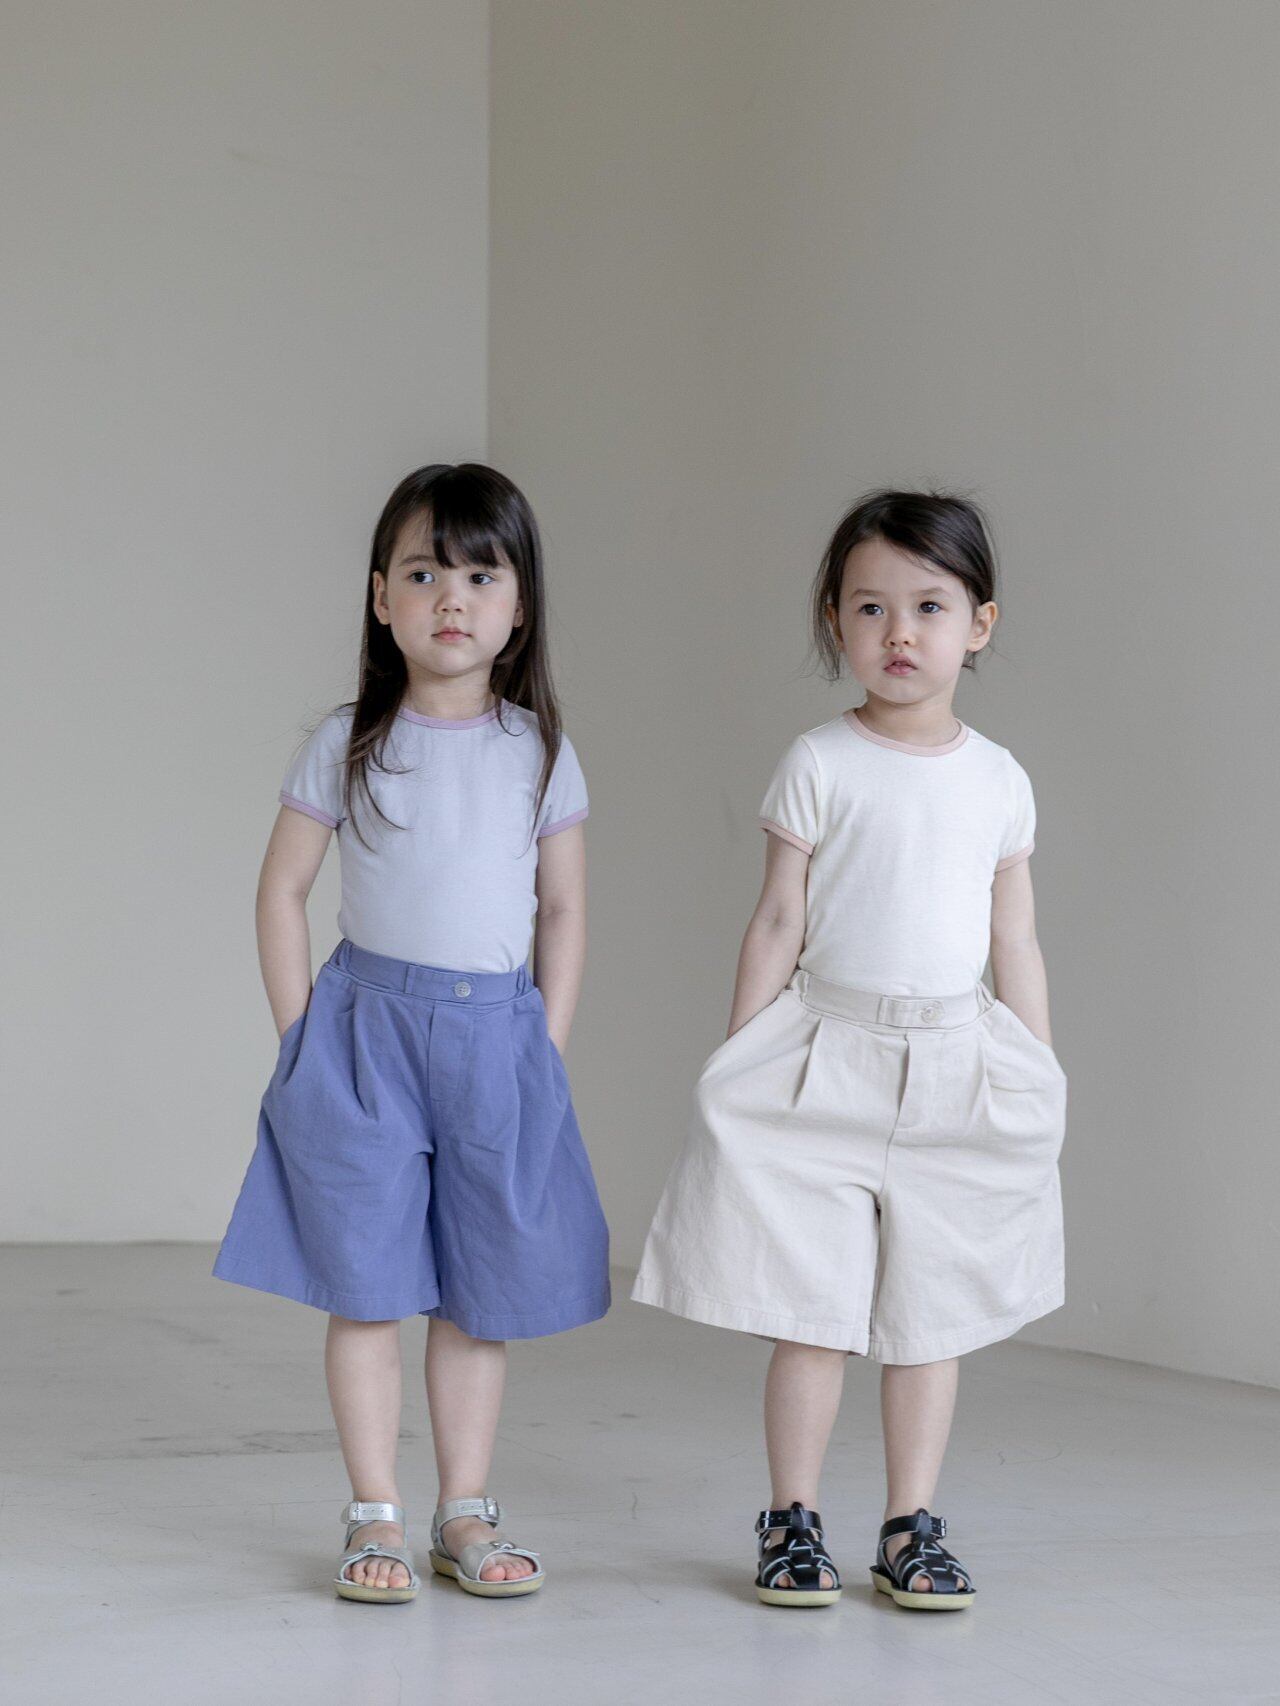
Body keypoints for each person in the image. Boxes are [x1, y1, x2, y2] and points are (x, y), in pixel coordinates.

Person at [632, 489, 1067, 1611]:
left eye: (929, 606)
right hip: (826, 1052)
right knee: (811, 1310)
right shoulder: (819, 759)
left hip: (954, 1060)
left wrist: (1035, 1066)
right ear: (835, 622)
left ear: (979, 623)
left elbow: (1013, 935)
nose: (898, 632)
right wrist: (739, 1056)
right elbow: (779, 917)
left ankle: (909, 1524)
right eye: (870, 607)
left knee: (931, 1318)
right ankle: (792, 1517)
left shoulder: (998, 779)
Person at [213, 462, 609, 1603]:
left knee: (479, 1294)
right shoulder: (349, 740)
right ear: (380, 596)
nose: (452, 598)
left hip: (496, 1042)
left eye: (481, 576)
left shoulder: (540, 749)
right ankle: (373, 1511)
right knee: (366, 1283)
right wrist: (303, 1039)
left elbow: (564, 908)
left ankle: (463, 1509)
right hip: (363, 1038)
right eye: (424, 572)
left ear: (519, 605)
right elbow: (282, 889)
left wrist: (544, 1043)